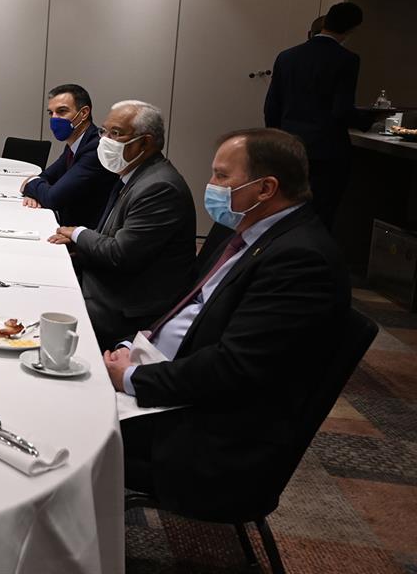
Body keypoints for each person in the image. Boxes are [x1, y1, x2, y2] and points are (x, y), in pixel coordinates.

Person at [104, 128, 349, 520]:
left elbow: (234, 367)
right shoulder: (247, 232)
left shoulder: (302, 260)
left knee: (64, 421)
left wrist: (131, 379)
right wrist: (132, 346)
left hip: (212, 432)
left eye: (221, 176)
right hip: (175, 379)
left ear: (266, 188)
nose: (210, 185)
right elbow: (190, 308)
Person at [48, 100, 195, 349]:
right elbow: (117, 239)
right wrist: (80, 244)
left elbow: (119, 254)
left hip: (123, 307)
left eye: (115, 134)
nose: (104, 139)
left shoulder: (159, 187)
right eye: (103, 131)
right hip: (107, 282)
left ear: (145, 143)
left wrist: (78, 234)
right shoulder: (134, 174)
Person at [264, 2, 371, 227]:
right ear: (352, 29)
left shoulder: (287, 57)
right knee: (321, 213)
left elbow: (272, 106)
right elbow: (341, 110)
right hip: (327, 150)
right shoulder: (347, 59)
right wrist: (368, 121)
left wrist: (277, 141)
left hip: (290, 147)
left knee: (284, 209)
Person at [19, 84, 117, 229]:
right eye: (51, 113)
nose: (54, 119)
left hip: (84, 237)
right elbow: (46, 176)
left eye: (62, 111)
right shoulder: (75, 143)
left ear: (84, 113)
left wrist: (30, 184)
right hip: (67, 226)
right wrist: (35, 192)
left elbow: (52, 198)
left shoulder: (95, 148)